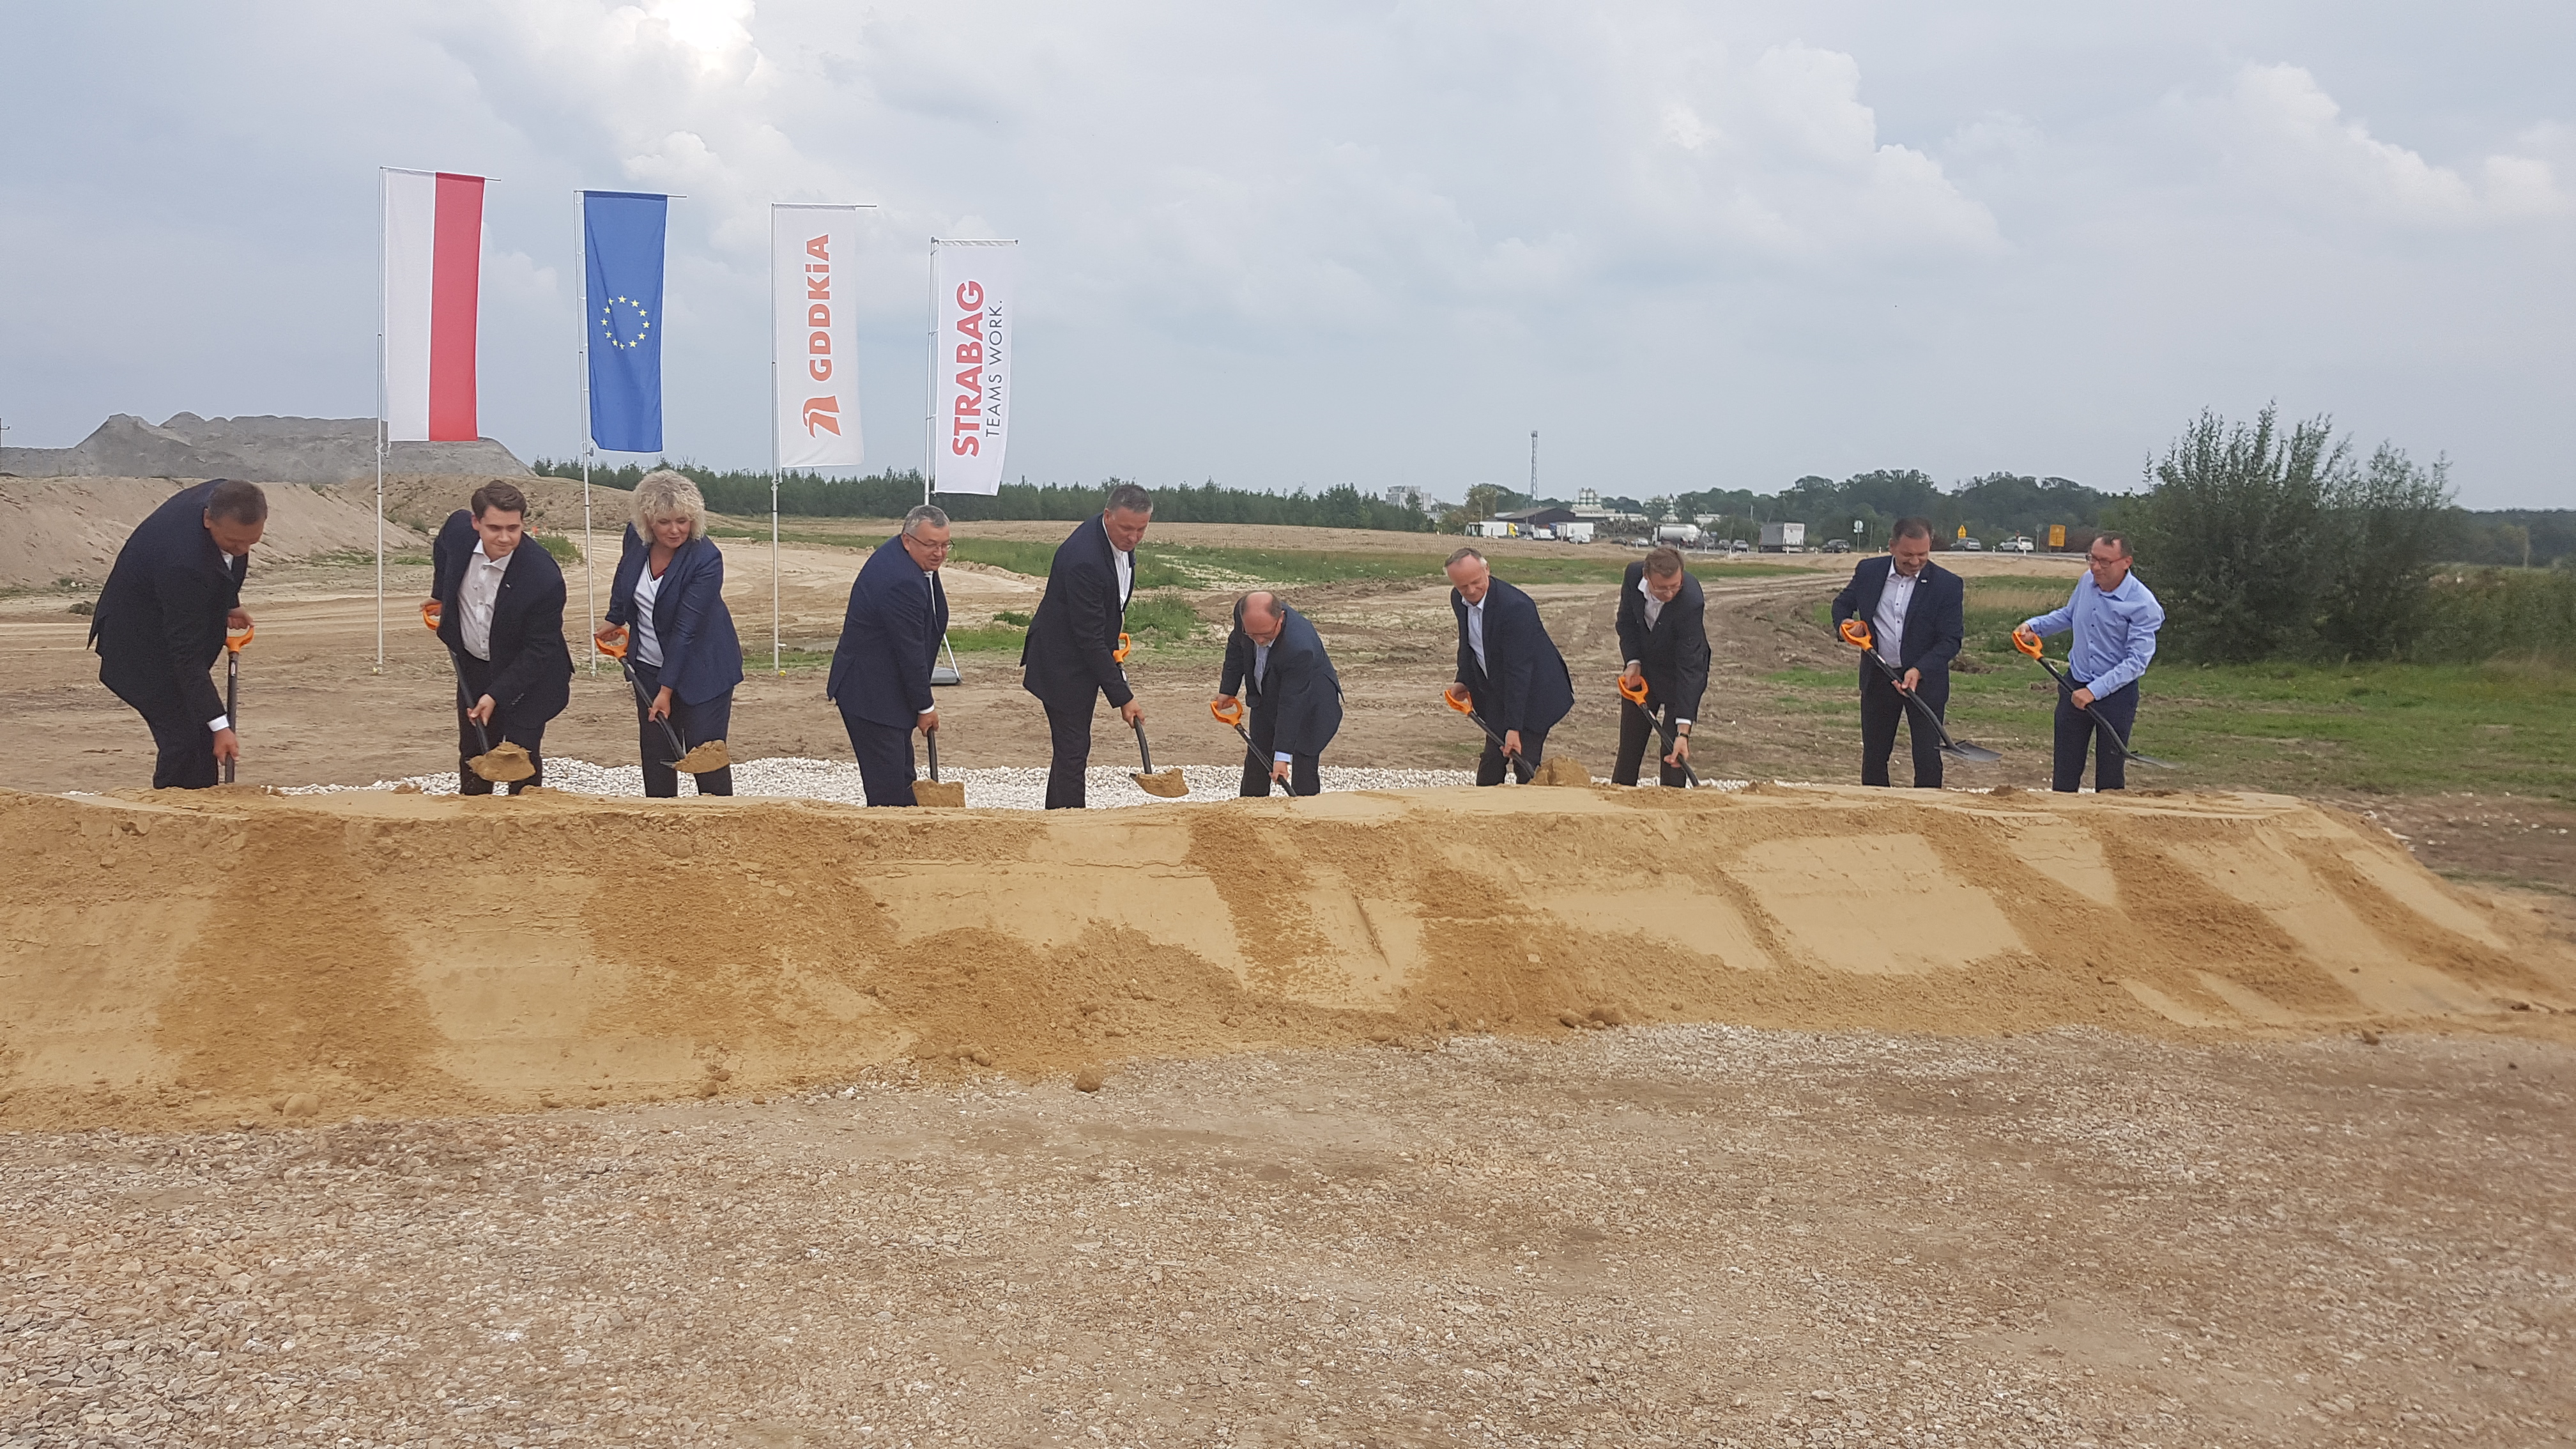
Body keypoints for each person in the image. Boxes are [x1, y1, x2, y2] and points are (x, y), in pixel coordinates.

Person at [90, 478, 266, 788]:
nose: (242, 551)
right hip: (135, 650)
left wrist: (230, 602)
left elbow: (227, 558)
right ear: (207, 519)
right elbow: (187, 657)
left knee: (202, 733)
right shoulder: (183, 563)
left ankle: (203, 802)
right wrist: (222, 726)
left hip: (168, 625)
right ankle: (169, 810)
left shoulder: (227, 496)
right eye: (233, 542)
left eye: (251, 542)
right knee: (184, 739)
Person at [596, 470, 741, 797]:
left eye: (682, 521)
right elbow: (625, 575)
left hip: (704, 670)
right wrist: (615, 617)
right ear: (648, 521)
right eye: (664, 522)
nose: (675, 530)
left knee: (705, 755)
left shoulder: (706, 560)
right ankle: (661, 818)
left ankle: (719, 819)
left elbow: (685, 630)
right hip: (648, 666)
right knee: (657, 754)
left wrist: (666, 690)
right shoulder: (636, 538)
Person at [430, 481, 572, 795]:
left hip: (530, 675)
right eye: (494, 528)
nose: (505, 538)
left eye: (513, 528)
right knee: (474, 750)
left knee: (519, 755)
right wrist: (440, 594)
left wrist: (496, 695)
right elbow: (441, 548)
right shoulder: (458, 531)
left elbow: (540, 648)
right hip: (474, 665)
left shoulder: (543, 576)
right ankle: (474, 814)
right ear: (476, 522)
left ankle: (523, 818)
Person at [1022, 482, 1153, 809]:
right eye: (1127, 529)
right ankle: (1070, 822)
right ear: (1108, 516)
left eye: (1141, 529)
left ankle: (1057, 816)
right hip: (1061, 664)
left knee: (1072, 747)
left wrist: (1111, 642)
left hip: (1083, 653)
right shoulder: (1085, 560)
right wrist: (1124, 698)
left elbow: (1108, 608)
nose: (1134, 538)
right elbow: (1089, 639)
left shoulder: (1117, 541)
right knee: (1073, 748)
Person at [2016, 532, 2165, 793]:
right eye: (2092, 559)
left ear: (2126, 562)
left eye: (2105, 561)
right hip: (2074, 684)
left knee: (2110, 773)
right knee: (2065, 768)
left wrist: (2093, 691)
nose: (2096, 567)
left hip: (2116, 694)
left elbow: (2136, 662)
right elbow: (2069, 615)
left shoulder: (2143, 605)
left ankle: (2107, 817)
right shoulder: (2087, 581)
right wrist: (2034, 627)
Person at [827, 505, 952, 806]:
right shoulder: (900, 581)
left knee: (902, 778)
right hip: (871, 694)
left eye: (945, 545)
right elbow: (910, 651)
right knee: (889, 792)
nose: (939, 553)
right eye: (931, 545)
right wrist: (925, 707)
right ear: (907, 540)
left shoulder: (911, 559)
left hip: (887, 688)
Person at [1828, 516, 1964, 789]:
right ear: (1892, 547)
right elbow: (1842, 605)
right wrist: (1846, 626)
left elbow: (1951, 640)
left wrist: (1919, 670)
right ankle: (1876, 806)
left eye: (1922, 555)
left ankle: (1927, 809)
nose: (1915, 562)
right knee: (1875, 755)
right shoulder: (1869, 572)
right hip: (1879, 677)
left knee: (1927, 757)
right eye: (1907, 555)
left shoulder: (1947, 585)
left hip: (1925, 682)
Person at [1444, 547, 1574, 785]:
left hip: (1536, 692)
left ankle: (1532, 805)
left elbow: (1519, 671)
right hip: (1498, 689)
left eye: (1476, 582)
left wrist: (1513, 728)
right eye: (1463, 587)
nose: (1470, 591)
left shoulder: (1516, 607)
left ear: (1487, 570)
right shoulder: (1459, 599)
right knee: (1493, 757)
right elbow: (1469, 641)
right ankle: (1483, 804)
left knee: (1524, 759)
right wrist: (1463, 679)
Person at [1215, 590, 1343, 797]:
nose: (1259, 640)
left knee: (1304, 759)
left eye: (1265, 634)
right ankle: (1250, 808)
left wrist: (1282, 758)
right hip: (1267, 693)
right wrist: (1228, 690)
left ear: (1280, 619)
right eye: (1252, 634)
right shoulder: (1244, 614)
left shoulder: (1299, 647)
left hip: (1311, 701)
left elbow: (1291, 703)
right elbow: (1237, 646)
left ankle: (1305, 811)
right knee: (1258, 752)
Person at [1611, 545, 1710, 788]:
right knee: (1630, 745)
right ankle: (1618, 797)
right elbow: (1626, 622)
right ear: (1647, 577)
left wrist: (1684, 733)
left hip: (1679, 673)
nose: (1669, 593)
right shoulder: (1633, 575)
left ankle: (1672, 802)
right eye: (1662, 588)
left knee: (1673, 751)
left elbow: (1690, 667)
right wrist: (1633, 661)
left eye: (1675, 586)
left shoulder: (1691, 601)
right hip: (1643, 672)